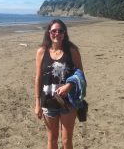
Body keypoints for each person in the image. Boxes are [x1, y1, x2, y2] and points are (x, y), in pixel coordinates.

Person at [35, 19, 83, 149]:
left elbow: (80, 74)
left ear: (64, 33)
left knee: (67, 141)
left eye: (60, 31)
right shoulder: (42, 51)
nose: (57, 33)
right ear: (49, 33)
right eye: (54, 31)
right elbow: (38, 78)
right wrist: (37, 104)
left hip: (68, 101)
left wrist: (69, 86)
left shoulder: (72, 51)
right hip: (48, 101)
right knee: (52, 140)